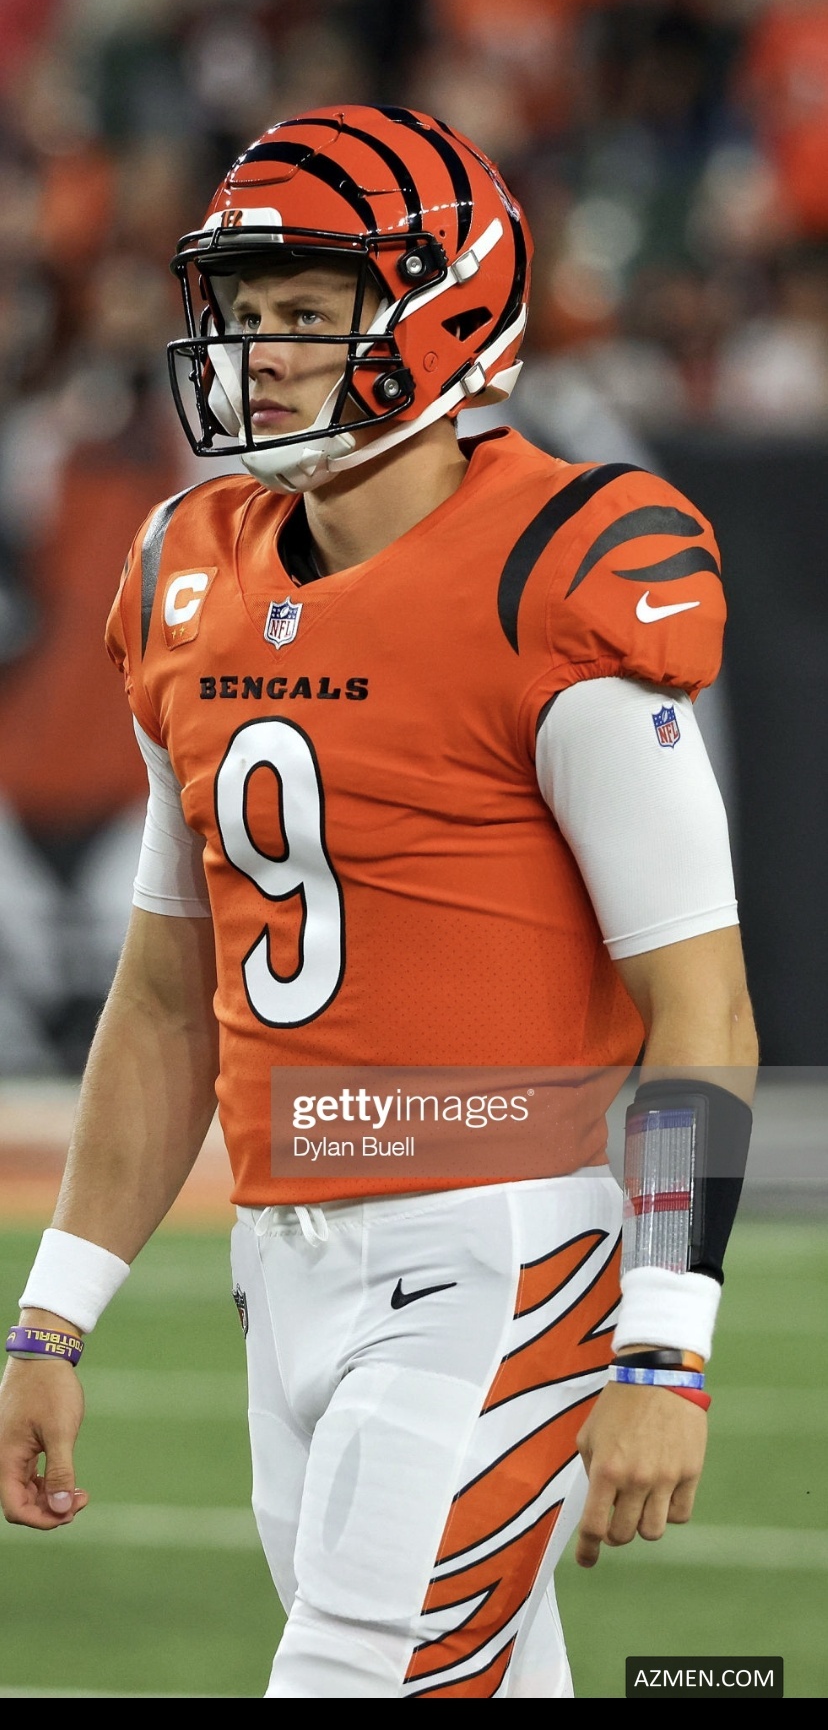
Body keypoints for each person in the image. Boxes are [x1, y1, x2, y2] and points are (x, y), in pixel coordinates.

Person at [0, 104, 757, 1699]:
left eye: (308, 309)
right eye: (246, 310)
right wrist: (52, 1318)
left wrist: (666, 1339)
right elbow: (166, 997)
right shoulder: (188, 572)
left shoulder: (556, 567)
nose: (260, 352)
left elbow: (701, 1008)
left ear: (446, 312)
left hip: (497, 1250)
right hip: (279, 1263)